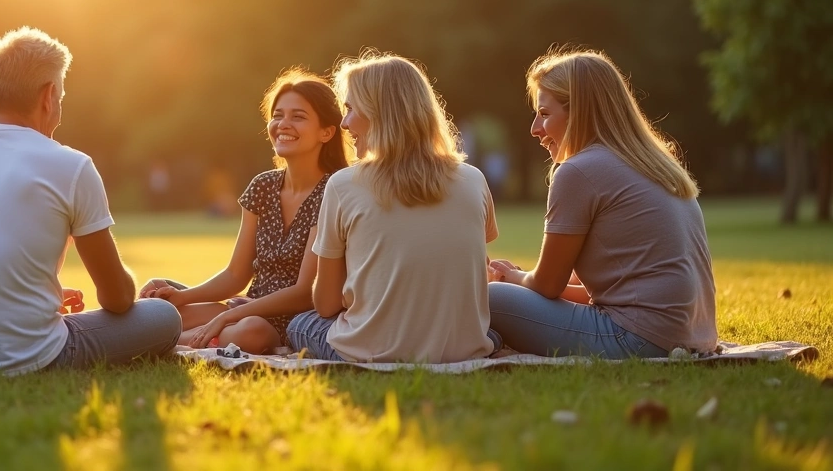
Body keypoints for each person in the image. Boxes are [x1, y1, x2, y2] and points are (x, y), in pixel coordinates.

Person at [0, 27, 181, 374]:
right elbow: (117, 299)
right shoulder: (71, 165)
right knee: (164, 317)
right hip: (30, 360)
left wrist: (32, 294)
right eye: (60, 96)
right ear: (48, 96)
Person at [487, 49, 717, 358]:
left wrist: (512, 278)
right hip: (691, 337)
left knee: (490, 297)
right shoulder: (656, 165)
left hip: (636, 339)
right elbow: (608, 292)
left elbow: (548, 285)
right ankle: (493, 336)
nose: (534, 129)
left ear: (579, 112)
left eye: (544, 113)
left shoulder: (577, 171)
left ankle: (487, 340)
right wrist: (521, 281)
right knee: (508, 297)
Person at [287, 52, 500, 363]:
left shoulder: (343, 185)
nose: (344, 123)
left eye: (350, 109)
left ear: (379, 113)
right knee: (492, 333)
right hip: (461, 351)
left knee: (299, 325)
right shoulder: (474, 179)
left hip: (373, 351)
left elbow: (326, 305)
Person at [139, 69, 350, 354]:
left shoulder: (333, 190)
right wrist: (182, 297)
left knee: (252, 333)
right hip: (246, 307)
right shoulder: (262, 185)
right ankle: (163, 335)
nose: (283, 124)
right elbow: (236, 274)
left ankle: (158, 343)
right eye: (277, 115)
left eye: (298, 117)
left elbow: (305, 292)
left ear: (326, 132)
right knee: (162, 306)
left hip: (292, 318)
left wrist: (228, 315)